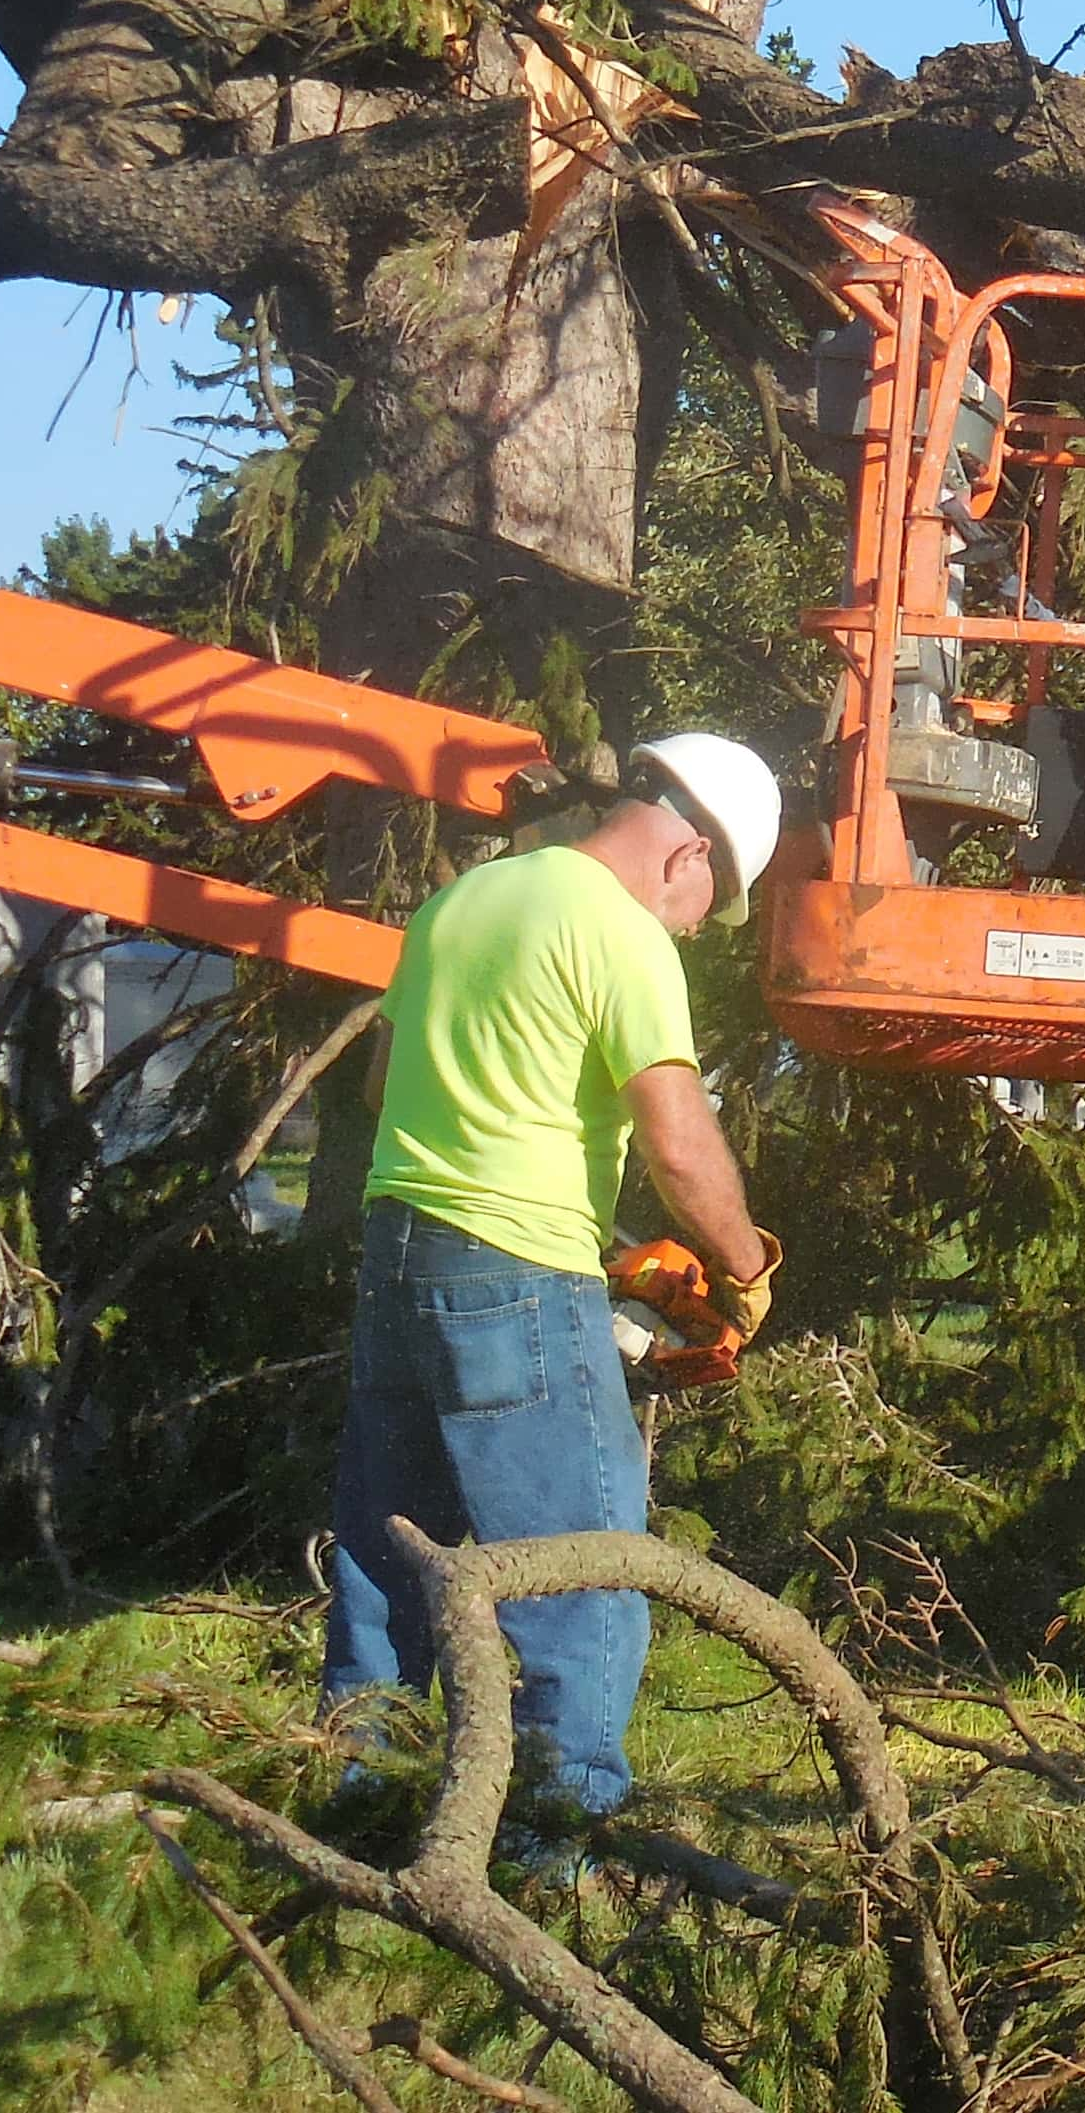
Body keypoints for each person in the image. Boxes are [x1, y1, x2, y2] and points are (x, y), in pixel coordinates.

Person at [324, 733, 788, 1816]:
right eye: (705, 909)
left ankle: (360, 1800)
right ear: (689, 854)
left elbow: (391, 1079)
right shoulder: (621, 931)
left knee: (389, 1548)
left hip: (398, 1255)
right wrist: (745, 1261)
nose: (692, 928)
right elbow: (678, 1144)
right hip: (517, 1273)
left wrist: (601, 1229)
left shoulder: (466, 899)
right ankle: (555, 1840)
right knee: (578, 1576)